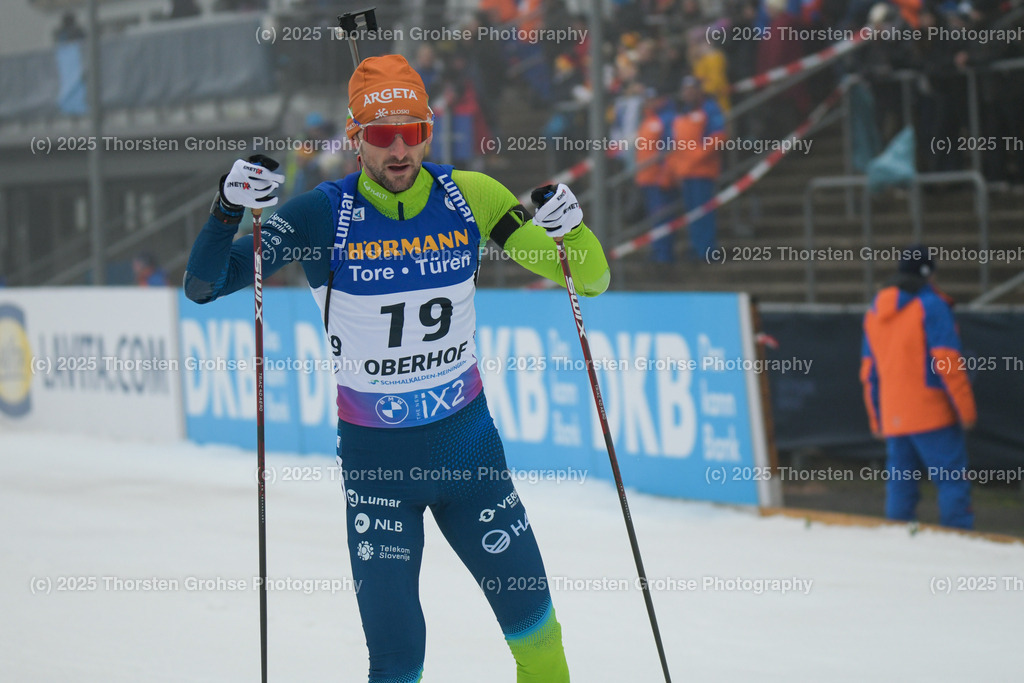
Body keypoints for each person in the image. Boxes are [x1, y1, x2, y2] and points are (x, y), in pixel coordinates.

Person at [184, 54, 610, 682]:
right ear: (355, 141)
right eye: (381, 135)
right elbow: (204, 284)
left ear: (429, 131)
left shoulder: (474, 196)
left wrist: (573, 233)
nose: (399, 148)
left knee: (541, 643)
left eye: (411, 131)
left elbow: (588, 281)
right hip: (378, 466)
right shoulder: (321, 215)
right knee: (396, 661)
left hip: (471, 456)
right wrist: (226, 209)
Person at [860, 246, 977, 530]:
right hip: (931, 412)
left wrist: (877, 419)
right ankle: (959, 539)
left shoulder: (874, 312)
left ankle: (899, 542)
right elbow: (947, 361)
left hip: (893, 414)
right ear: (929, 273)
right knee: (951, 480)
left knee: (900, 483)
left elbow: (869, 372)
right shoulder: (932, 305)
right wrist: (965, 409)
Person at [665, 75, 725, 262]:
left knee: (704, 212)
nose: (688, 93)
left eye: (692, 89)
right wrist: (675, 168)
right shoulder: (681, 112)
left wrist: (697, 155)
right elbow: (674, 144)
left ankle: (706, 250)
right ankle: (696, 247)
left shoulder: (710, 109)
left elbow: (719, 136)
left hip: (702, 171)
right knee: (692, 213)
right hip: (685, 172)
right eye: (685, 89)